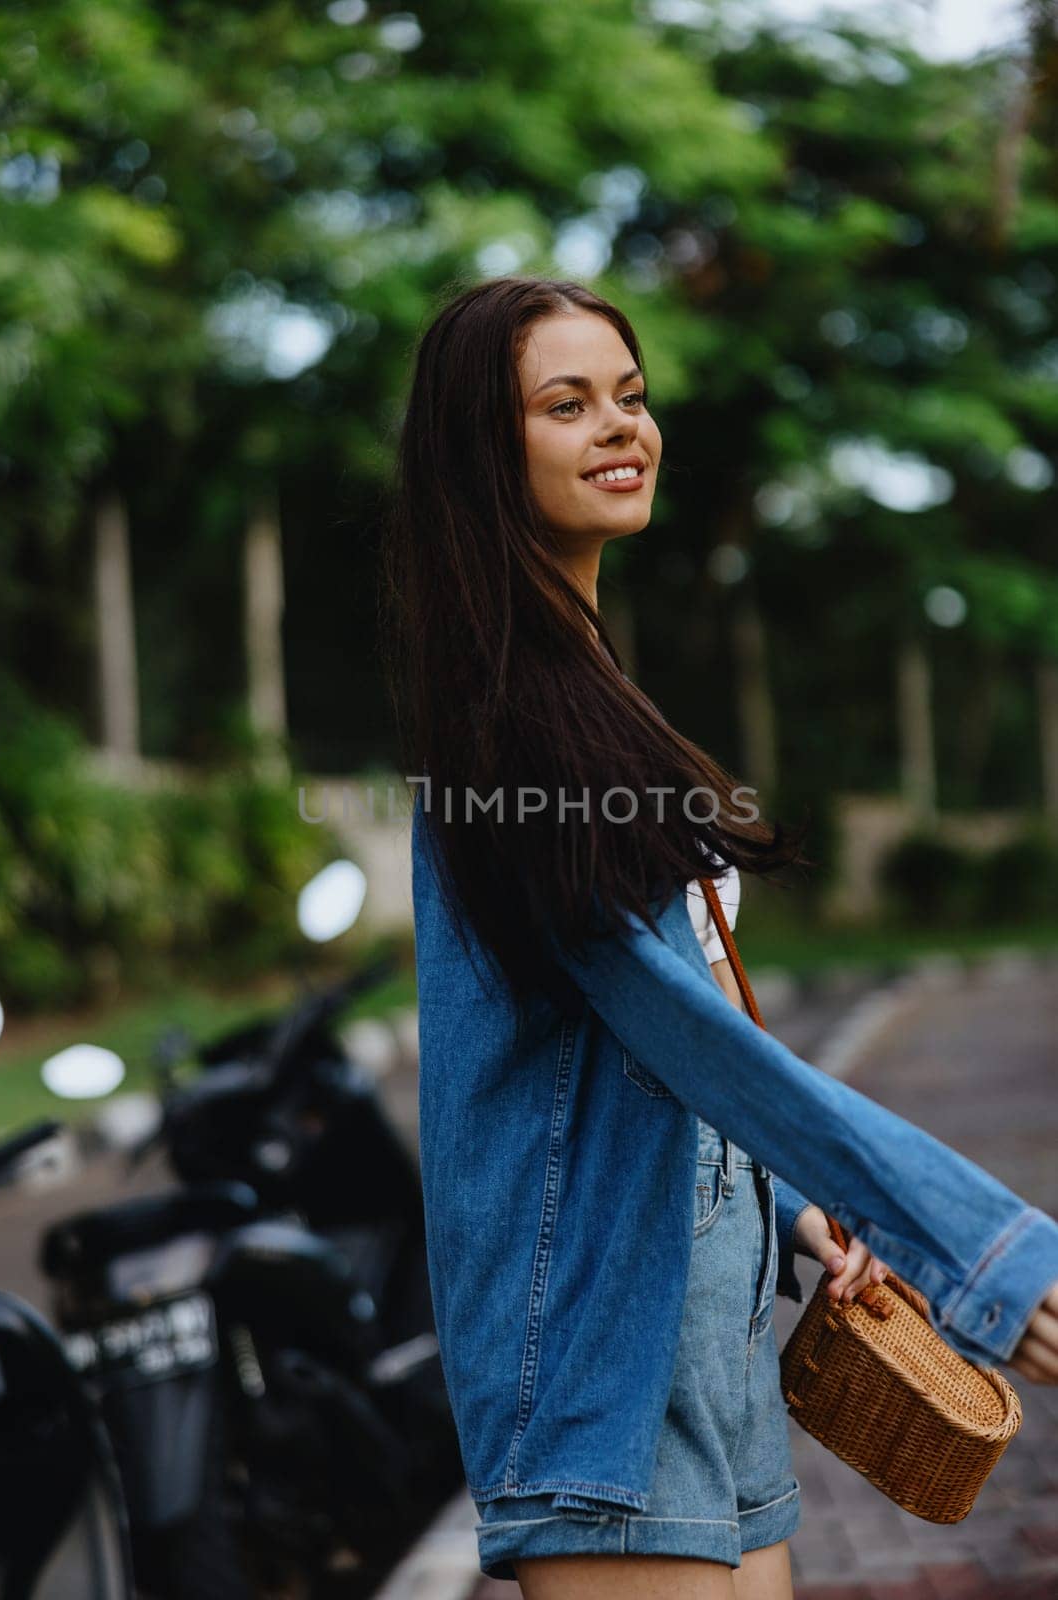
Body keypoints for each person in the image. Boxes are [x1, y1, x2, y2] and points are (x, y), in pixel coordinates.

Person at [379, 275, 1058, 1600]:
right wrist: (970, 1248)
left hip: (720, 1333)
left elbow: (677, 1045)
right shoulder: (506, 729)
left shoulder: (589, 697)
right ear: (479, 447)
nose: (619, 426)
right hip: (598, 1355)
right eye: (566, 404)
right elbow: (689, 1031)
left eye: (630, 397)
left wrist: (802, 1215)